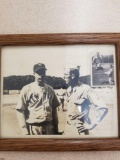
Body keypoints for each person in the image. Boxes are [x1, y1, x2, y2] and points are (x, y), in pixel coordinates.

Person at [16, 63, 60, 135]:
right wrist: (24, 130)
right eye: (38, 73)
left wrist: (56, 128)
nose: (41, 75)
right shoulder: (27, 89)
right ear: (34, 74)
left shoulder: (50, 89)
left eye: (43, 72)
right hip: (34, 127)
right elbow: (20, 110)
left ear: (45, 73)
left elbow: (54, 110)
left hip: (49, 126)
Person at [63, 65, 108, 135]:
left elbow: (103, 108)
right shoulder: (69, 89)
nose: (63, 77)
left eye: (65, 74)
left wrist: (91, 125)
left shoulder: (86, 89)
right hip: (68, 130)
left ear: (72, 76)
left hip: (80, 131)